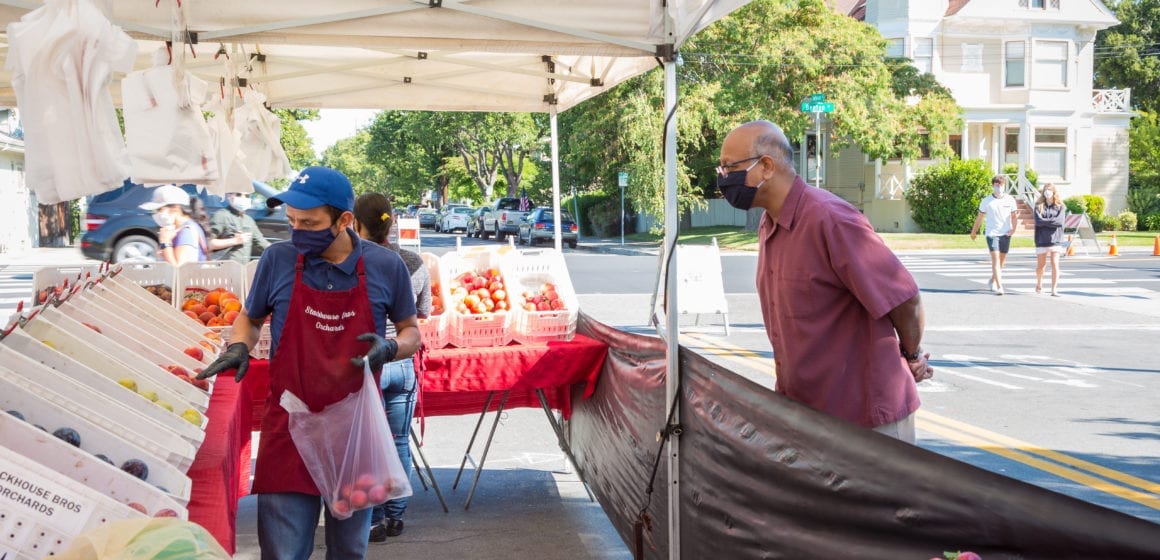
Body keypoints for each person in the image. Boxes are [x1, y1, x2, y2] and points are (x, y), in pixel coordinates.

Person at [195, 166, 421, 560]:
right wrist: (239, 346)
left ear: (344, 220)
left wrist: (389, 348)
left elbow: (411, 332)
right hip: (290, 427)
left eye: (310, 222)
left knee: (349, 552)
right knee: (283, 553)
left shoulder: (386, 267)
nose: (297, 230)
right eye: (292, 220)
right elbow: (250, 317)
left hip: (356, 433)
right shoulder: (278, 259)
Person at [716, 120, 933, 443]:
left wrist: (911, 356)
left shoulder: (830, 219)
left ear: (765, 167)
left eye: (729, 167)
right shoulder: (769, 223)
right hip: (808, 418)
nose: (723, 178)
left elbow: (905, 299)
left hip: (867, 424)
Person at [352, 192, 432, 542]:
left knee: (366, 443)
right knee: (399, 440)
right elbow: (423, 314)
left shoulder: (352, 263)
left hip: (367, 363)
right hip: (401, 359)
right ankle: (395, 517)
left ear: (354, 223)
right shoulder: (413, 261)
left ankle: (369, 518)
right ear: (392, 221)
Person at [969, 175, 1019, 295]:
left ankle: (992, 280)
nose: (999, 187)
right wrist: (974, 231)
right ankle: (999, 286)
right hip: (992, 234)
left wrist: (1013, 230)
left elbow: (1014, 217)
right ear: (993, 186)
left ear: (1004, 186)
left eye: (1001, 185)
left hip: (1005, 233)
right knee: (995, 260)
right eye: (996, 185)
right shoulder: (986, 201)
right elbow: (980, 217)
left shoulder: (1010, 200)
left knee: (1001, 262)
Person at [140, 184, 208, 265]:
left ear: (176, 208)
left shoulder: (187, 231)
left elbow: (179, 271)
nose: (156, 214)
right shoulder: (176, 231)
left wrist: (166, 243)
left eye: (159, 209)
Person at [209, 191, 270, 263]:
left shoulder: (249, 220)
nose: (243, 198)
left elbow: (262, 243)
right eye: (238, 195)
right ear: (229, 196)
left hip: (242, 269)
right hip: (224, 269)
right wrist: (235, 241)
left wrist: (282, 251)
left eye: (247, 196)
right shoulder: (222, 215)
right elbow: (208, 244)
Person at [1033, 183, 1066, 296]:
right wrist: (1051, 221)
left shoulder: (1060, 206)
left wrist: (1045, 222)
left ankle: (1054, 289)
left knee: (1055, 265)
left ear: (1054, 192)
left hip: (1055, 239)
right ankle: (1039, 284)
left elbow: (1059, 222)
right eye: (1046, 190)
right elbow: (1038, 221)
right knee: (1041, 266)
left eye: (1050, 190)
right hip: (1041, 239)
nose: (1048, 192)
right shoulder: (1038, 206)